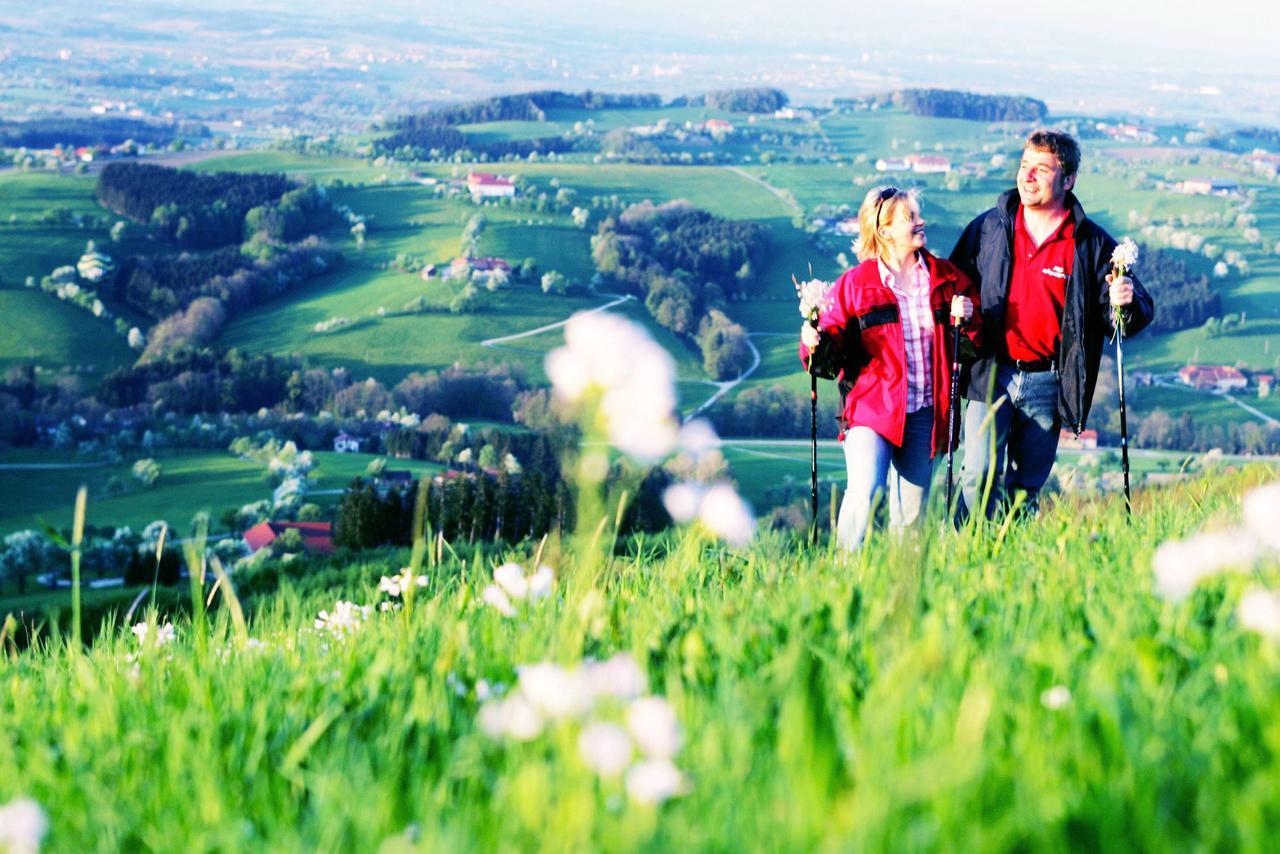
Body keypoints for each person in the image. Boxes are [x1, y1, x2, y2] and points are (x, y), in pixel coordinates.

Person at [950, 129, 1155, 520]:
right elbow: (951, 285)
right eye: (1025, 166)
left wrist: (1124, 303)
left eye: (1041, 169)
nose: (1027, 176)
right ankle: (965, 557)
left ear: (1068, 179)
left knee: (1026, 486)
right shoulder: (989, 229)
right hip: (991, 371)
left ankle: (1015, 562)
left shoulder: (1090, 244)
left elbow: (1136, 312)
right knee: (977, 475)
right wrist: (957, 311)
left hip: (1048, 380)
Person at [801, 187, 980, 550]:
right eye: (910, 217)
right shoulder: (855, 285)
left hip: (926, 413)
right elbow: (825, 351)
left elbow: (973, 344)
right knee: (866, 490)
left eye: (918, 214)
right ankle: (844, 575)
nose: (921, 222)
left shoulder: (947, 279)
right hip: (871, 411)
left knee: (912, 519)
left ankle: (904, 593)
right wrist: (812, 341)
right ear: (884, 231)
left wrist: (970, 320)